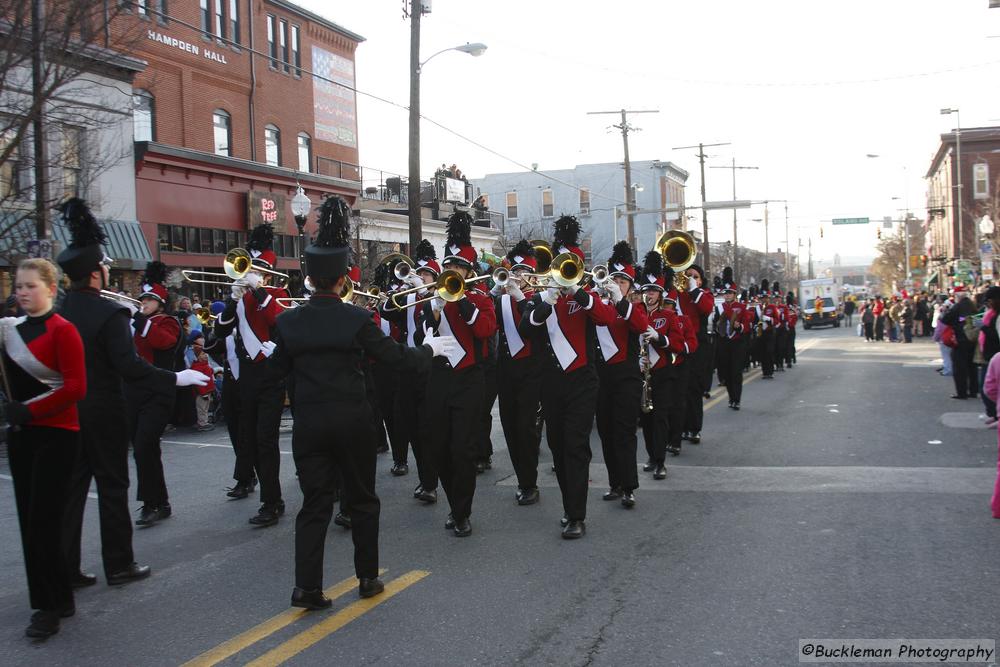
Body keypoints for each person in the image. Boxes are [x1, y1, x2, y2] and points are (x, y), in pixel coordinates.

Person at [262, 196, 457, 608]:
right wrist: (430, 351)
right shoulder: (355, 319)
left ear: (311, 278)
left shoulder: (288, 321)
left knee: (314, 505)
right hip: (353, 421)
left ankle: (307, 588)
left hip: (310, 425)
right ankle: (367, 578)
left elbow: (273, 371)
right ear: (340, 279)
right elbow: (397, 359)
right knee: (363, 499)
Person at [56, 199, 208, 592]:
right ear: (94, 274)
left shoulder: (61, 312)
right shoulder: (110, 315)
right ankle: (119, 563)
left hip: (70, 412)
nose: (109, 271)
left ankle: (67, 569)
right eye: (104, 266)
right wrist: (175, 379)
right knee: (112, 488)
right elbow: (129, 366)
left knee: (72, 492)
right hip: (105, 410)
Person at [2, 258, 86, 638]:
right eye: (18, 285)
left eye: (30, 286)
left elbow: (75, 388)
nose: (22, 292)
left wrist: (28, 409)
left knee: (44, 521)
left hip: (57, 433)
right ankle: (60, 596)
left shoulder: (63, 330)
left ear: (51, 289)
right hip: (23, 434)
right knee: (27, 518)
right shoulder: (10, 331)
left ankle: (47, 607)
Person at [520, 216, 617, 538]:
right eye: (561, 266)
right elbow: (525, 330)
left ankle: (577, 515)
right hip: (550, 382)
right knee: (558, 446)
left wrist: (578, 291)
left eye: (570, 266)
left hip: (581, 380)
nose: (563, 272)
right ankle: (568, 505)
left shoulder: (585, 295)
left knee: (575, 446)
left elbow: (606, 318)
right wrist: (547, 301)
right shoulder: (540, 297)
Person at [420, 211, 497, 537]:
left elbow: (485, 329)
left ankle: (462, 512)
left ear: (468, 272)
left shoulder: (480, 298)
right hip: (438, 377)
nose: (451, 272)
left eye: (457, 268)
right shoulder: (432, 300)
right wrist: (434, 309)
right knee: (438, 448)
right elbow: (420, 336)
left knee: (462, 450)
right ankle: (454, 503)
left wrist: (461, 299)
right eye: (448, 268)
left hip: (469, 380)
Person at [214, 222, 289, 526]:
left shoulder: (277, 293)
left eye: (256, 269)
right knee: (250, 438)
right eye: (249, 268)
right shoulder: (241, 297)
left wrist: (258, 292)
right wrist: (232, 299)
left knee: (266, 439)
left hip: (270, 373)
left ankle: (273, 502)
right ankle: (261, 492)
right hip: (246, 375)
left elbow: (278, 320)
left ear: (267, 272)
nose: (250, 274)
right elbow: (221, 330)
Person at [380, 239, 439, 502]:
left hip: (431, 367)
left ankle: (431, 482)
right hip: (408, 366)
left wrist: (425, 292)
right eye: (419, 272)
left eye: (425, 274)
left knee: (429, 428)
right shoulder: (408, 295)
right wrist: (403, 290)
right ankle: (425, 479)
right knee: (411, 425)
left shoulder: (438, 297)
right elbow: (385, 311)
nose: (419, 276)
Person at [593, 242, 647, 507]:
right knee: (605, 430)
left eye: (622, 280)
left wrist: (618, 299)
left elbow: (639, 325)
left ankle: (628, 486)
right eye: (613, 279)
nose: (616, 283)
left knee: (624, 431)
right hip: (602, 376)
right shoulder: (598, 304)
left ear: (631, 286)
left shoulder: (633, 307)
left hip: (626, 377)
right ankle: (614, 482)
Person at [128, 261, 181, 526]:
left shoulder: (167, 322)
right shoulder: (137, 323)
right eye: (142, 299)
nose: (143, 303)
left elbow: (164, 341)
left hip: (160, 391)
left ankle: (154, 502)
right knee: (143, 449)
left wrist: (137, 319)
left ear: (160, 302)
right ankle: (157, 501)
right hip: (135, 392)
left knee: (144, 445)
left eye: (148, 299)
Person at [492, 240, 543, 505]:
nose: (519, 277)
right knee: (511, 427)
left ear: (532, 277)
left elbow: (532, 330)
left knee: (526, 428)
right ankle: (524, 477)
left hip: (531, 370)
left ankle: (529, 481)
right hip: (506, 369)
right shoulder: (500, 299)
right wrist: (494, 290)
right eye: (517, 271)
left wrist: (520, 297)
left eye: (525, 273)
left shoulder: (538, 299)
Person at [679, 262, 715, 444]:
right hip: (677, 345)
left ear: (701, 281)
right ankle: (679, 428)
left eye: (695, 276)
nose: (690, 278)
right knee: (679, 390)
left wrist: (694, 290)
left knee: (693, 388)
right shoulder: (678, 294)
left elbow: (706, 308)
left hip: (698, 346)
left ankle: (693, 428)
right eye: (688, 275)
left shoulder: (704, 295)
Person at [714, 268, 755, 410]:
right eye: (726, 293)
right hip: (724, 342)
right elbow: (714, 325)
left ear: (734, 294)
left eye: (730, 293)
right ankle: (731, 397)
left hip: (737, 342)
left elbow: (747, 326)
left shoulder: (741, 307)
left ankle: (736, 399)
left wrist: (739, 327)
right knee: (726, 373)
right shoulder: (719, 308)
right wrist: (717, 327)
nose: (727, 295)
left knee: (736, 372)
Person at [942, 287, 978, 399]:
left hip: (960, 339)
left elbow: (946, 319)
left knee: (959, 367)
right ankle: (973, 390)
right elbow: (969, 318)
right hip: (971, 339)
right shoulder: (972, 306)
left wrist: (947, 312)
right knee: (972, 366)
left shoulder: (958, 307)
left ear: (957, 295)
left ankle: (961, 392)